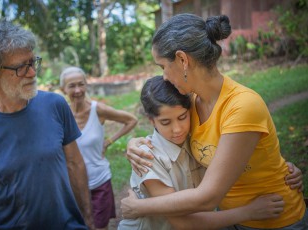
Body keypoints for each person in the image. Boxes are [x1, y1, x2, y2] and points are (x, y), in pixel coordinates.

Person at [122, 14, 307, 229]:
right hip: (230, 217)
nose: (163, 76)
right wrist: (133, 143)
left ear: (183, 60)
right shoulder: (190, 102)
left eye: (162, 66)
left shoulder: (242, 105)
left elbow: (207, 197)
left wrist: (140, 207)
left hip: (275, 219)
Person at [0, 21, 94, 230]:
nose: (33, 73)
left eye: (33, 62)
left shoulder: (55, 104)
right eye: (21, 67)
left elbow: (75, 164)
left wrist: (88, 219)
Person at [59, 67, 138, 230]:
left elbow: (131, 120)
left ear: (87, 85)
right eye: (72, 86)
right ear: (63, 89)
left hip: (99, 182)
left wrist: (108, 141)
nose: (78, 90)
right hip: (72, 187)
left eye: (81, 84)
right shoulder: (61, 114)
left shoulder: (97, 110)